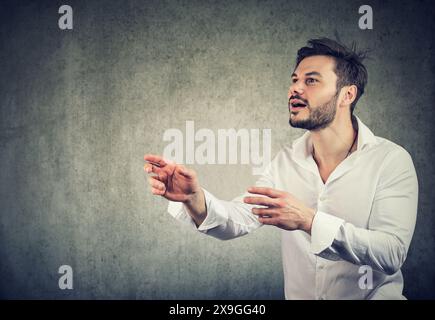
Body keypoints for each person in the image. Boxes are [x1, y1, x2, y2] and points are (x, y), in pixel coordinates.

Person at [144, 38, 418, 300]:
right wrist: (195, 199)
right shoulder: (286, 161)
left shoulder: (390, 160)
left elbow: (391, 253)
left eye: (311, 80)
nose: (295, 89)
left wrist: (310, 221)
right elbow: (239, 219)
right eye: (294, 80)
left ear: (347, 94)